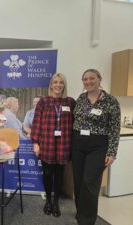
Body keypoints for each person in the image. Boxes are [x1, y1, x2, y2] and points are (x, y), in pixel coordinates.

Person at [72, 69, 121, 225]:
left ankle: (87, 221)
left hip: (98, 145)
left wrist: (112, 152)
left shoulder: (110, 101)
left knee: (89, 182)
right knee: (79, 181)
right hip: (78, 142)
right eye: (85, 79)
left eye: (92, 78)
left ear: (100, 79)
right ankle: (80, 213)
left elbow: (114, 128)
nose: (88, 82)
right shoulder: (81, 98)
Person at [31, 73, 76, 217]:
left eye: (61, 82)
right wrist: (35, 143)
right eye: (55, 82)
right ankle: (48, 201)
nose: (58, 85)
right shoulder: (43, 102)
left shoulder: (70, 102)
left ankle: (56, 202)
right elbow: (36, 123)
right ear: (51, 85)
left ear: (64, 85)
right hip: (47, 143)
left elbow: (77, 123)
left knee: (59, 175)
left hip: (64, 144)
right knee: (47, 173)